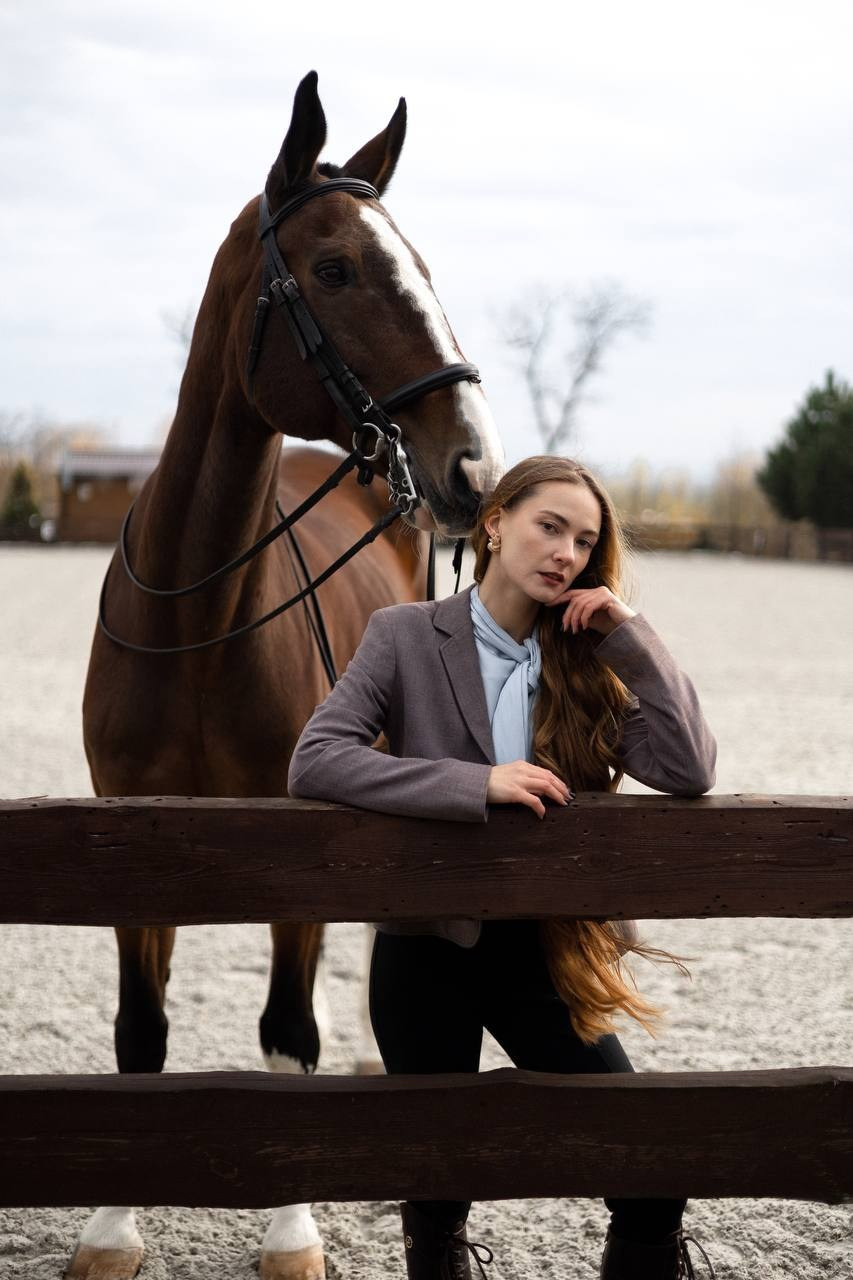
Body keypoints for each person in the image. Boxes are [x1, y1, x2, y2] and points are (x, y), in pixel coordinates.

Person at [288, 456, 718, 1280]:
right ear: (494, 523)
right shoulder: (405, 634)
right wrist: (472, 782)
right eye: (548, 526)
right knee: (435, 1195)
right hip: (425, 953)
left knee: (646, 1167)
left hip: (545, 954)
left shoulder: (583, 656)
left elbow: (689, 766)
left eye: (584, 541)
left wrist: (629, 634)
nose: (565, 552)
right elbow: (316, 760)